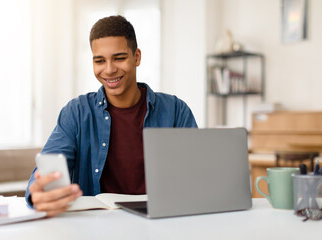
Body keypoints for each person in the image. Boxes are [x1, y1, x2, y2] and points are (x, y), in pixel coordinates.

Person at [25, 15, 197, 217]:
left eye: (119, 58)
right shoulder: (76, 112)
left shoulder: (176, 110)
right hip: (96, 225)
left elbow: (195, 175)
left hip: (161, 220)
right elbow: (45, 172)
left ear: (137, 57)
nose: (109, 69)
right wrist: (36, 193)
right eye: (100, 61)